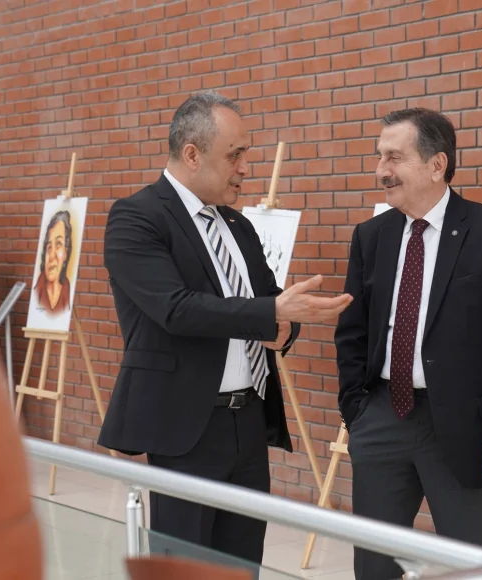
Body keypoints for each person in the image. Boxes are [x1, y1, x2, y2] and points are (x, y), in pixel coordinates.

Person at [98, 92, 352, 570]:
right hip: (185, 428)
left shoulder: (238, 225)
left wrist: (287, 326)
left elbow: (268, 303)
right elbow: (176, 309)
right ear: (192, 154)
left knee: (242, 564)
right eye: (235, 155)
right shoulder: (137, 217)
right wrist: (272, 310)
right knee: (185, 568)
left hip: (248, 421)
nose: (244, 169)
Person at [335, 108, 482, 580]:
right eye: (379, 157)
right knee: (374, 565)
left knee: (469, 567)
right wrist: (357, 411)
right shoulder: (371, 236)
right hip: (382, 418)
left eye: (394, 157)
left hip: (463, 428)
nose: (381, 170)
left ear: (437, 164)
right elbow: (352, 331)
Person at [34, 210, 72, 314]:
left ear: (66, 253)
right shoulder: (36, 293)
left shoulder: (67, 291)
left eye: (58, 244)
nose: (51, 256)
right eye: (49, 247)